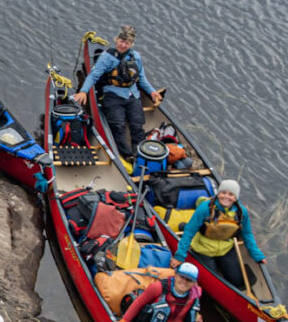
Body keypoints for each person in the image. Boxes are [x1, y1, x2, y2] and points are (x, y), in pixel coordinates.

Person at [72, 25, 163, 164]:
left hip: (133, 95)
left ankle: (139, 154)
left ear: (131, 44)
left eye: (127, 43)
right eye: (121, 41)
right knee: (118, 126)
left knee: (137, 125)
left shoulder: (135, 57)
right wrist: (83, 91)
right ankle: (126, 155)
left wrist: (152, 91)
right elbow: (94, 75)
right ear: (116, 40)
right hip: (112, 95)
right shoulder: (106, 57)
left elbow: (142, 78)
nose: (123, 45)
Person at [173, 179, 264, 289]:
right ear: (218, 193)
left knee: (237, 280)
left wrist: (257, 255)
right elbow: (189, 232)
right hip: (203, 249)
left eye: (231, 194)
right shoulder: (205, 208)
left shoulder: (241, 212)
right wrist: (180, 256)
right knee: (214, 281)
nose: (226, 197)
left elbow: (247, 234)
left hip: (226, 249)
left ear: (236, 198)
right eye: (223, 192)